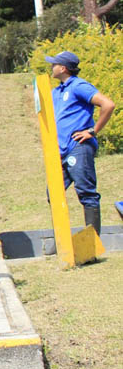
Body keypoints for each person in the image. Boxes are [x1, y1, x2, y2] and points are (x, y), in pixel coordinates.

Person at [46, 50, 115, 235]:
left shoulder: (79, 86)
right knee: (53, 193)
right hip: (60, 151)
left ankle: (92, 243)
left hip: (78, 148)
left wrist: (92, 131)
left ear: (63, 68)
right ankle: (63, 242)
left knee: (86, 193)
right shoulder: (57, 91)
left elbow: (108, 104)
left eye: (54, 64)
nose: (51, 67)